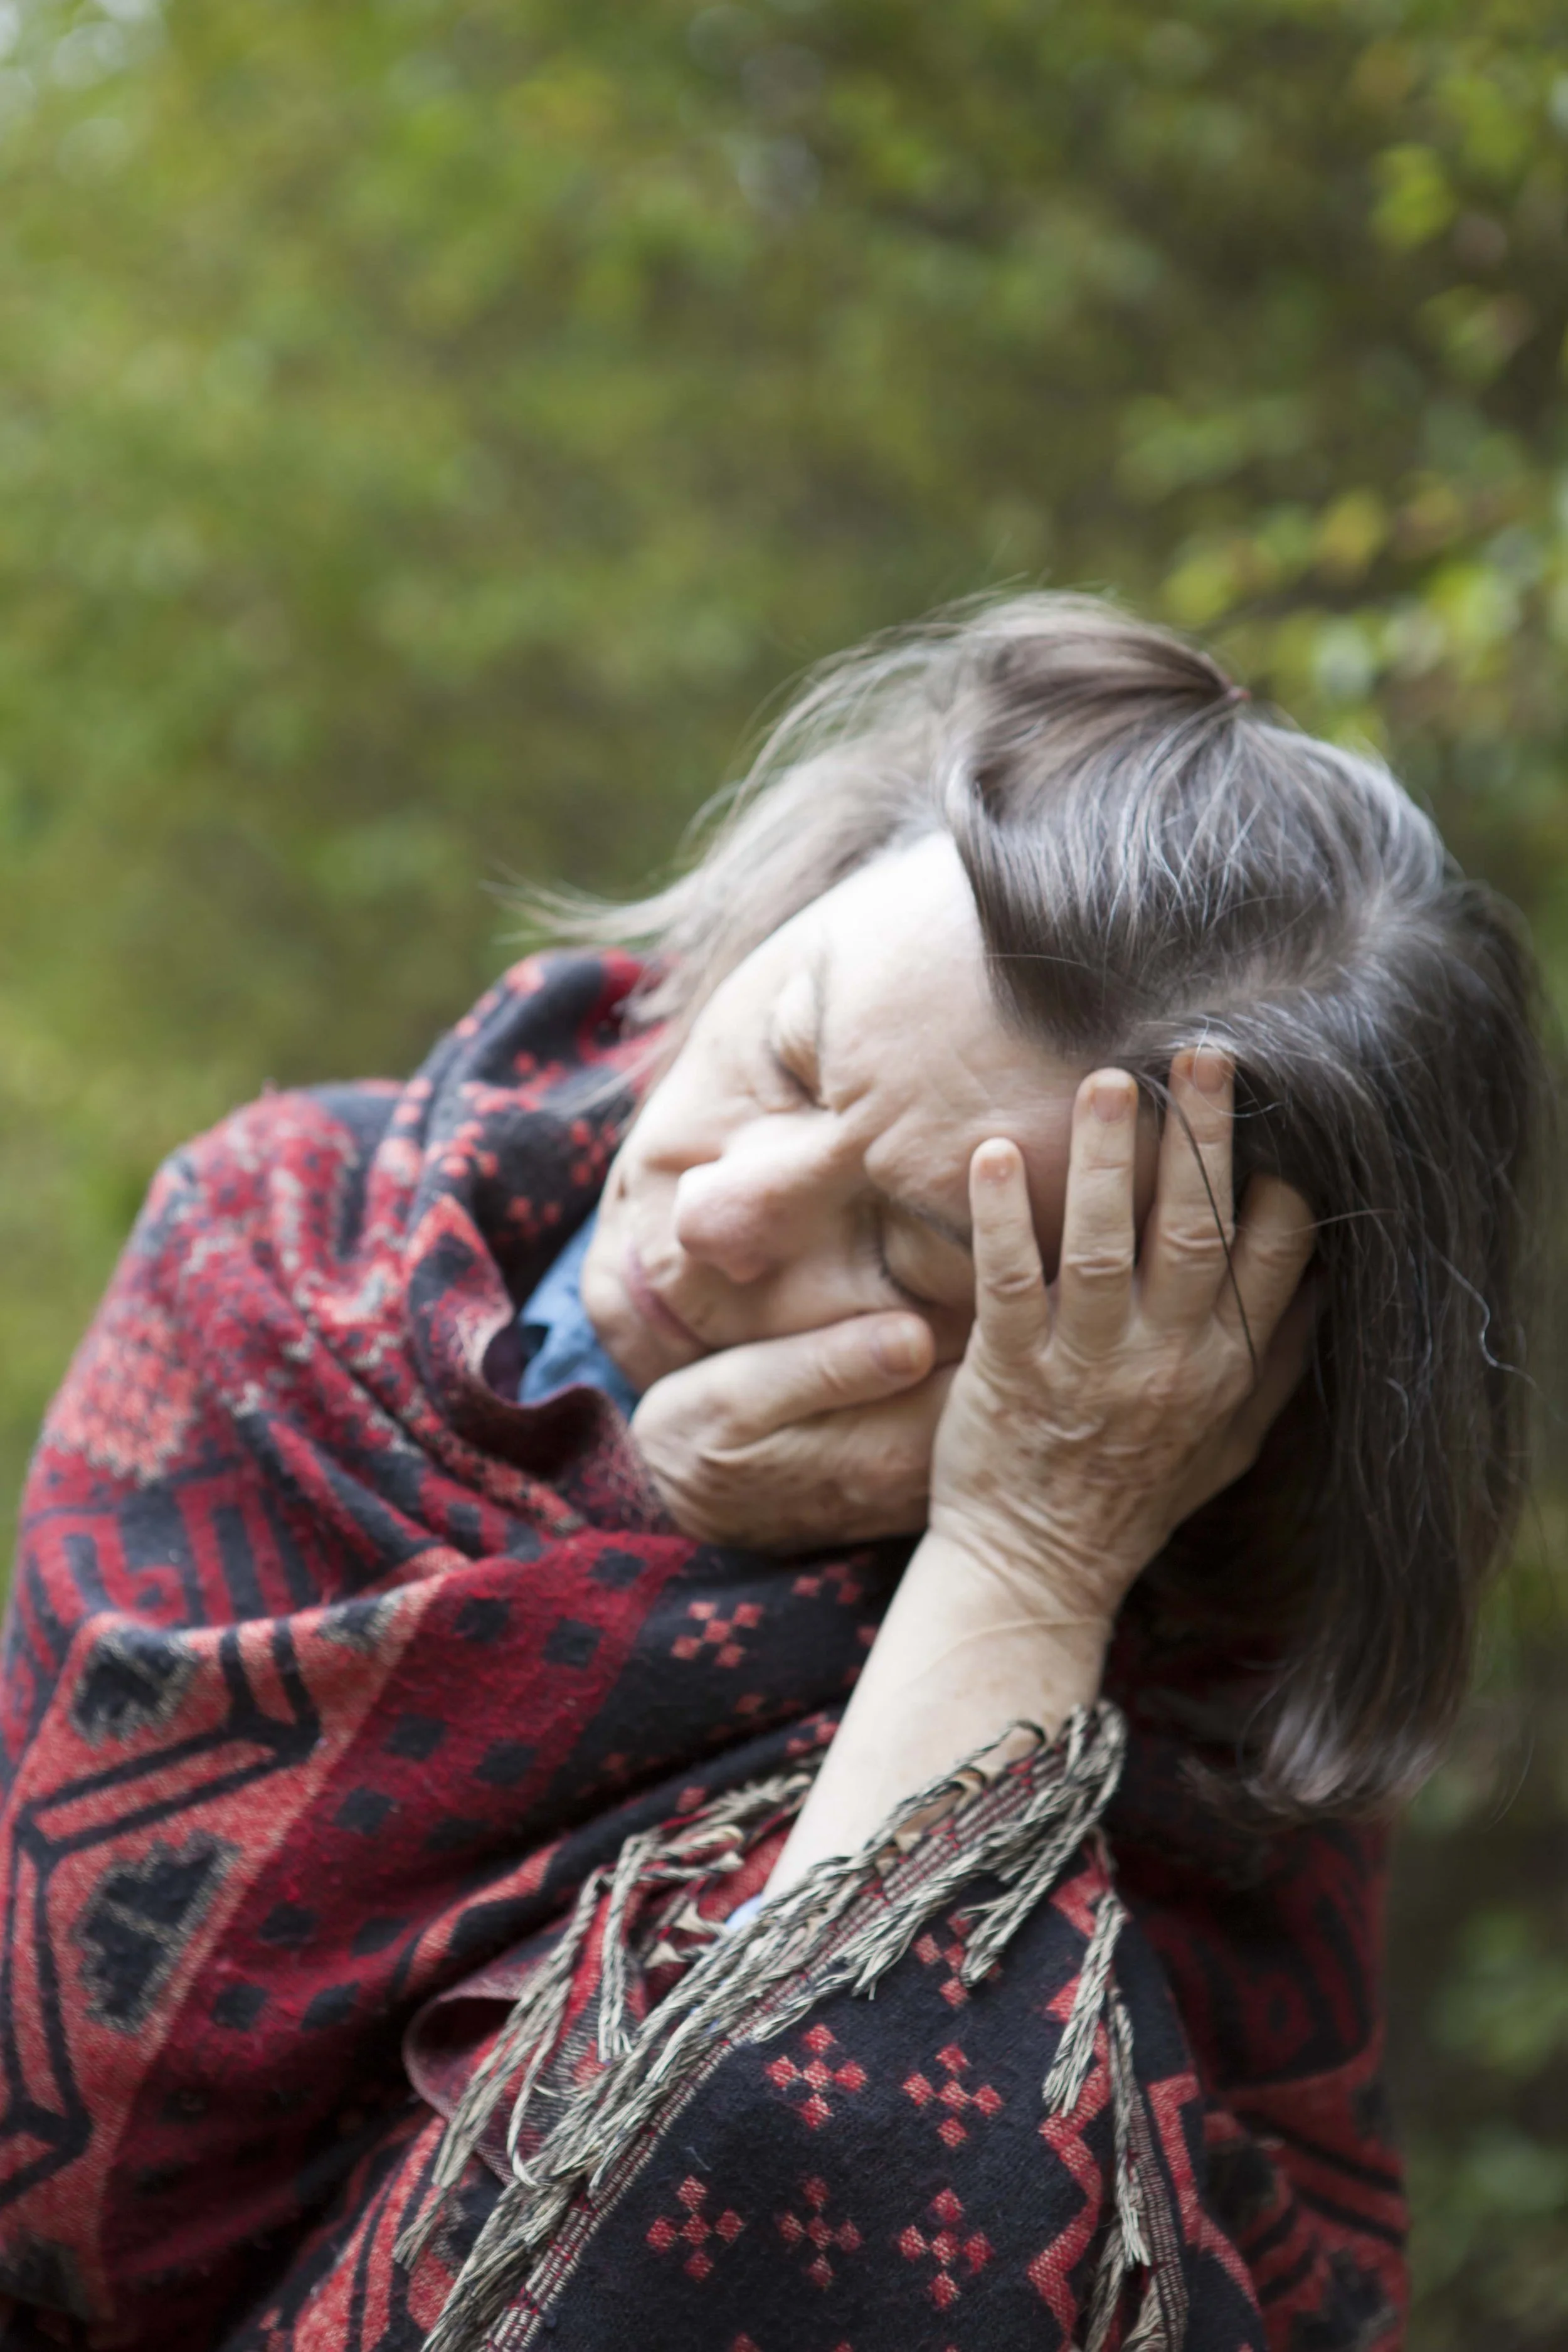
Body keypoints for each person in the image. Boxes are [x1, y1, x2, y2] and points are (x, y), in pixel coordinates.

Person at [0, 596, 1542, 2352]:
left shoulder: (1201, 1772)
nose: (725, 1210)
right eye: (792, 1047)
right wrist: (638, 1533)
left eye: (909, 1262)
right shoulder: (283, 1249)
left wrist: (1021, 1564)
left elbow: (812, 2223)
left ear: (1193, 1404)